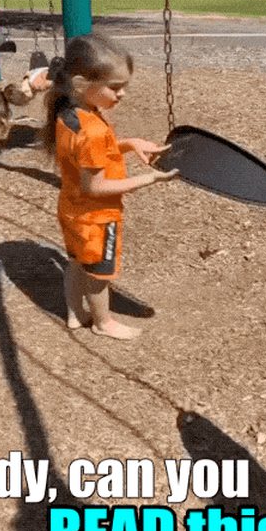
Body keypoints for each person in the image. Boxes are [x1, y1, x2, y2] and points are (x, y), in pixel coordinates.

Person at [44, 33, 178, 340]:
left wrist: (129, 144)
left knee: (76, 263)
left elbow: (87, 159)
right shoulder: (91, 130)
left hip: (71, 210)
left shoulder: (71, 114)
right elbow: (96, 187)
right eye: (115, 87)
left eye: (124, 86)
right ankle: (102, 323)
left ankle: (75, 314)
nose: (122, 94)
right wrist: (149, 179)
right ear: (81, 84)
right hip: (97, 218)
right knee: (98, 275)